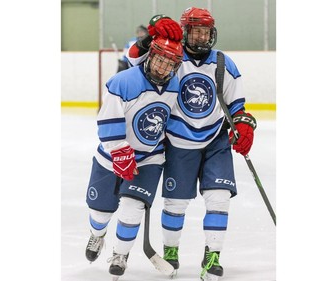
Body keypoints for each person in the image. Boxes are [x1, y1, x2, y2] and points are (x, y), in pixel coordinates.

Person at [127, 8, 257, 280]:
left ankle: (213, 257)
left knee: (219, 199)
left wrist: (244, 123)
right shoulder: (170, 55)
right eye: (196, 30)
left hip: (215, 140)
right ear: (185, 32)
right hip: (178, 141)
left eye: (206, 31)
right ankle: (171, 252)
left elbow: (237, 104)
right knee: (175, 203)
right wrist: (151, 34)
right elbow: (133, 60)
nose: (202, 36)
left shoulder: (223, 62)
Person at [84, 35, 183, 279]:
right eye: (160, 60)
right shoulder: (123, 81)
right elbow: (107, 119)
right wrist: (119, 151)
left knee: (132, 208)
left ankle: (120, 254)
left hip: (150, 158)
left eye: (170, 64)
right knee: (100, 212)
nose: (164, 68)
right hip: (110, 157)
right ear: (150, 57)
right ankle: (97, 234)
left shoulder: (175, 85)